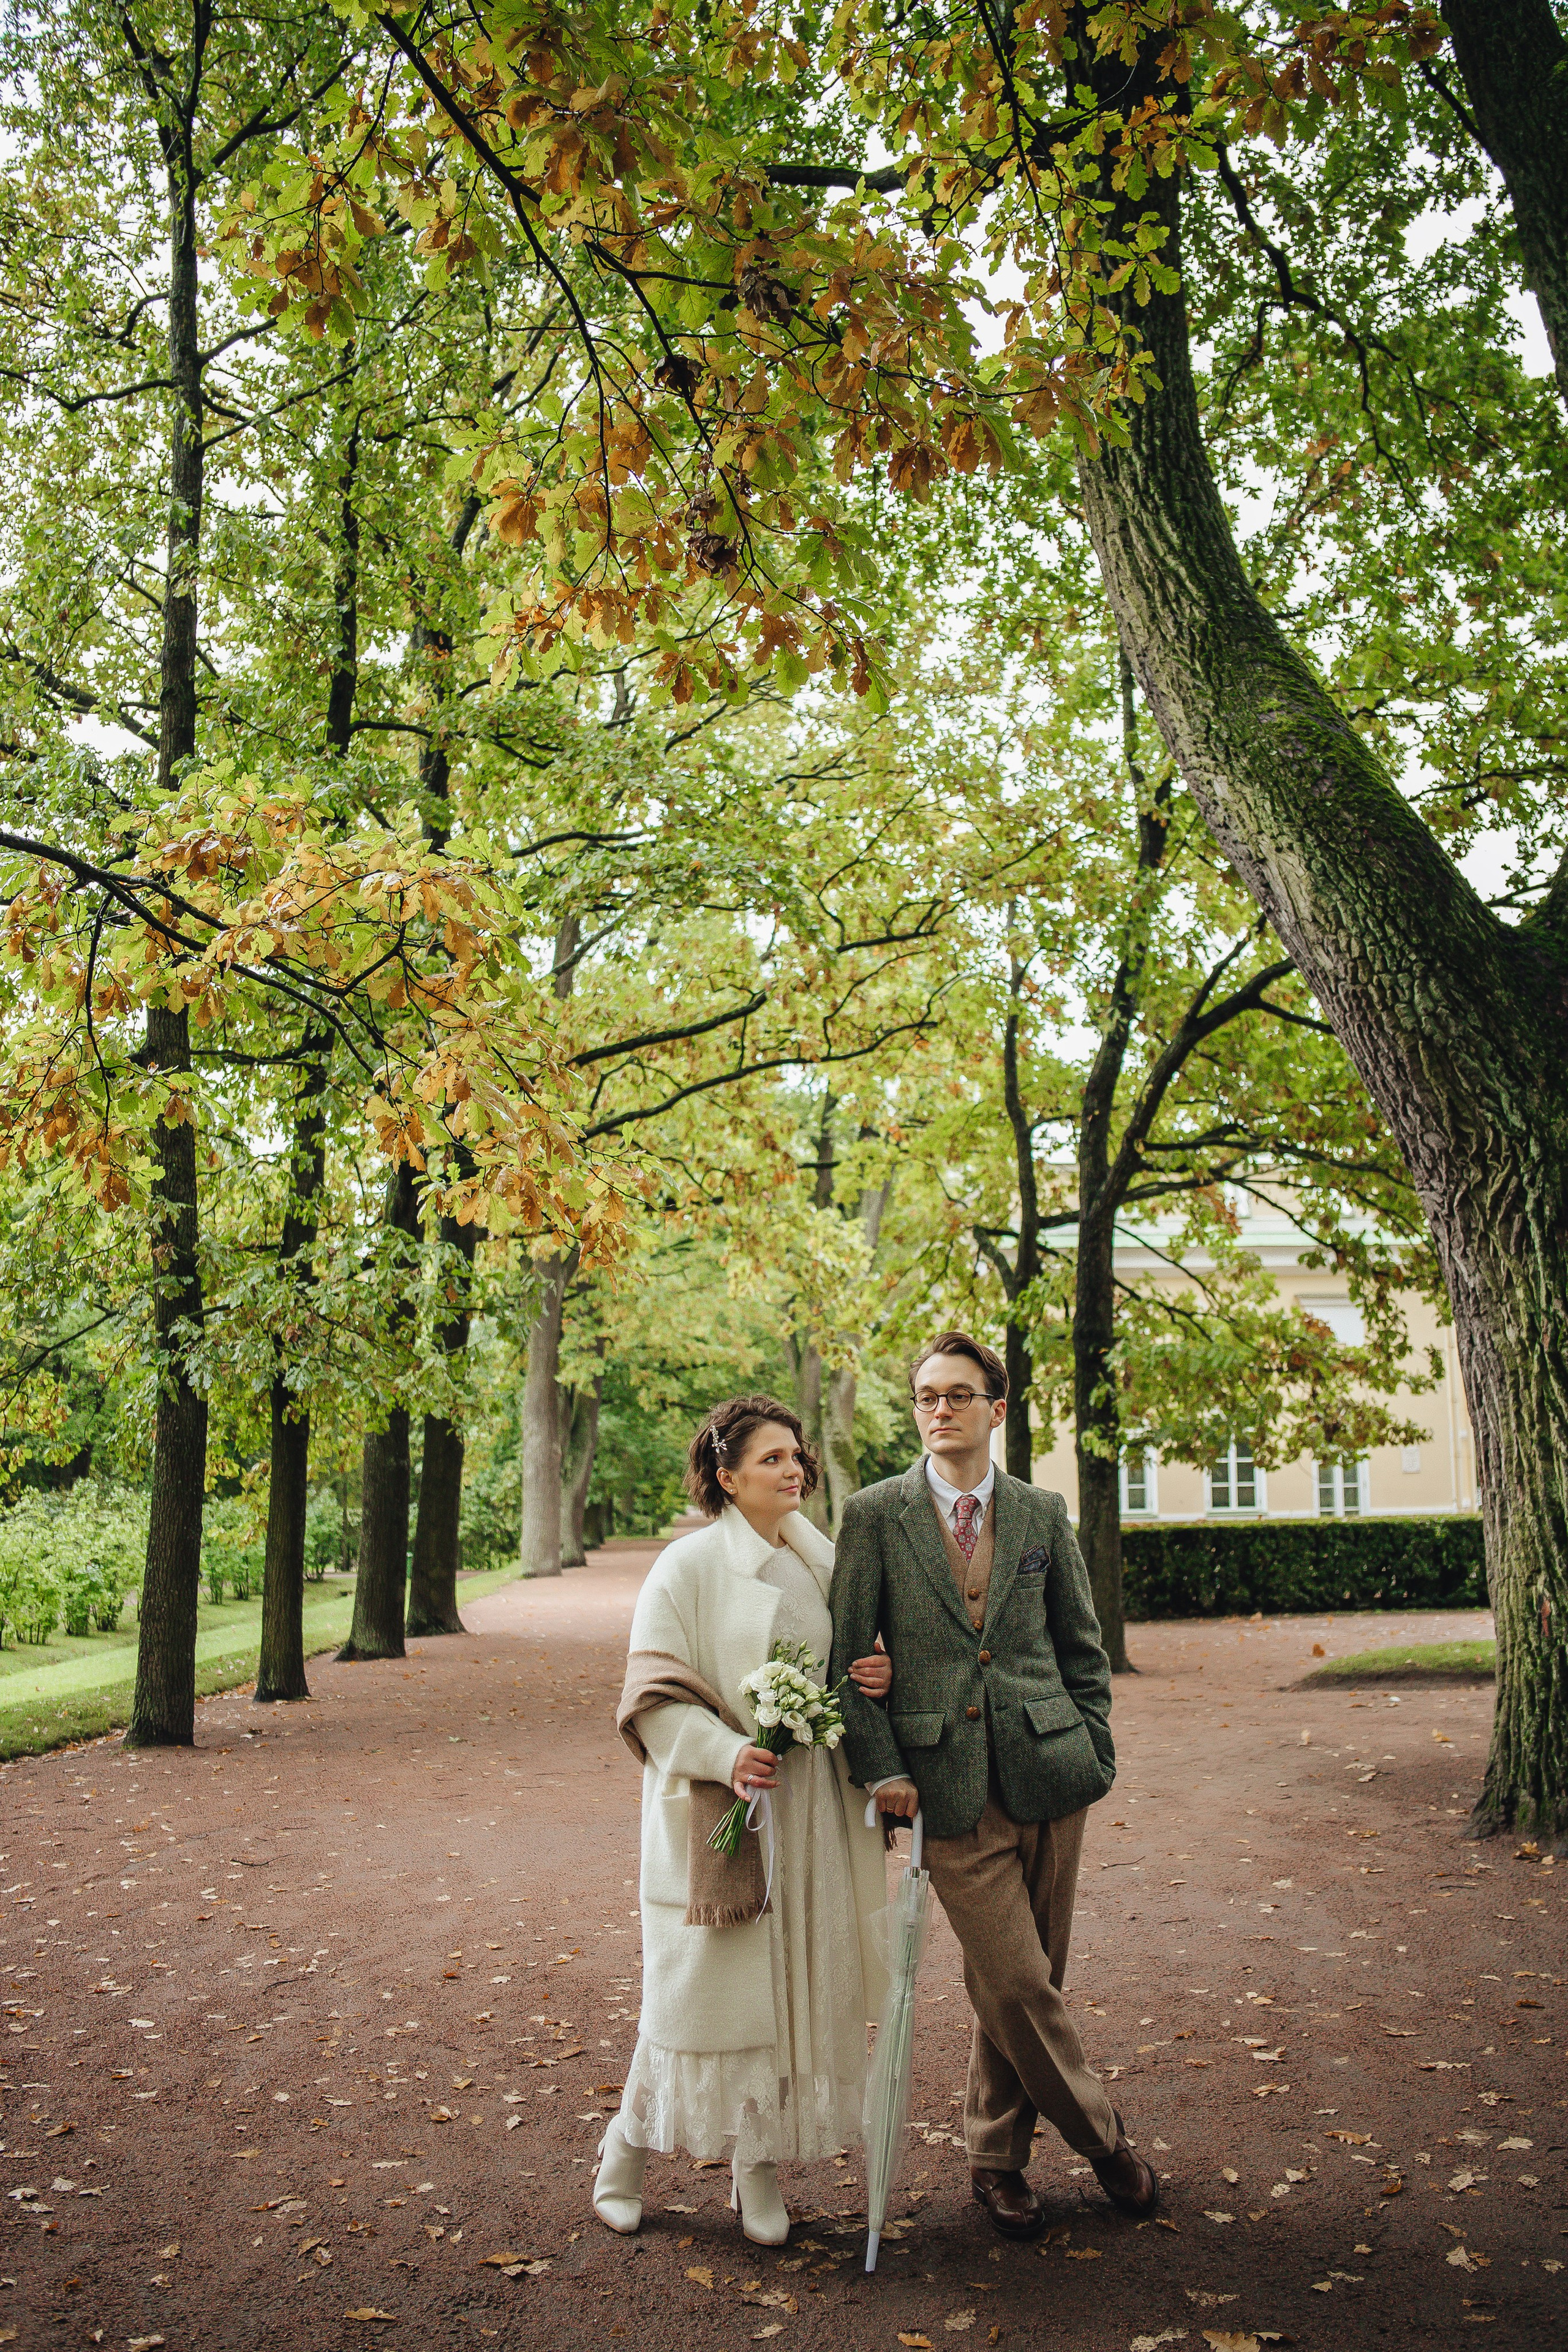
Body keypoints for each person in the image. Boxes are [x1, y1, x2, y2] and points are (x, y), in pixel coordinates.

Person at [828, 1330, 1159, 2241]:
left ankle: (996, 2164)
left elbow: (1082, 1648)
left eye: (959, 1396)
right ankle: (1107, 2144)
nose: (940, 1410)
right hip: (945, 1787)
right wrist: (886, 1766)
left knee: (1026, 1981)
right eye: (927, 1396)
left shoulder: (1042, 1512)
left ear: (996, 1409)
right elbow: (841, 1663)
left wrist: (1093, 1747)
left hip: (1052, 1771)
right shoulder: (873, 1515)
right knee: (1016, 1981)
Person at [594, 1394, 892, 2247]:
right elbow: (648, 1696)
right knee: (694, 2002)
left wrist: (872, 1673)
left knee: (786, 1995)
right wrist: (727, 1753)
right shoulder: (684, 1571)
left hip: (807, 1818)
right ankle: (623, 2154)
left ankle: (755, 2170)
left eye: (797, 1455)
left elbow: (842, 1666)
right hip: (720, 1819)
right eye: (772, 1459)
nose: (794, 1468)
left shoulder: (817, 1563)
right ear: (725, 1477)